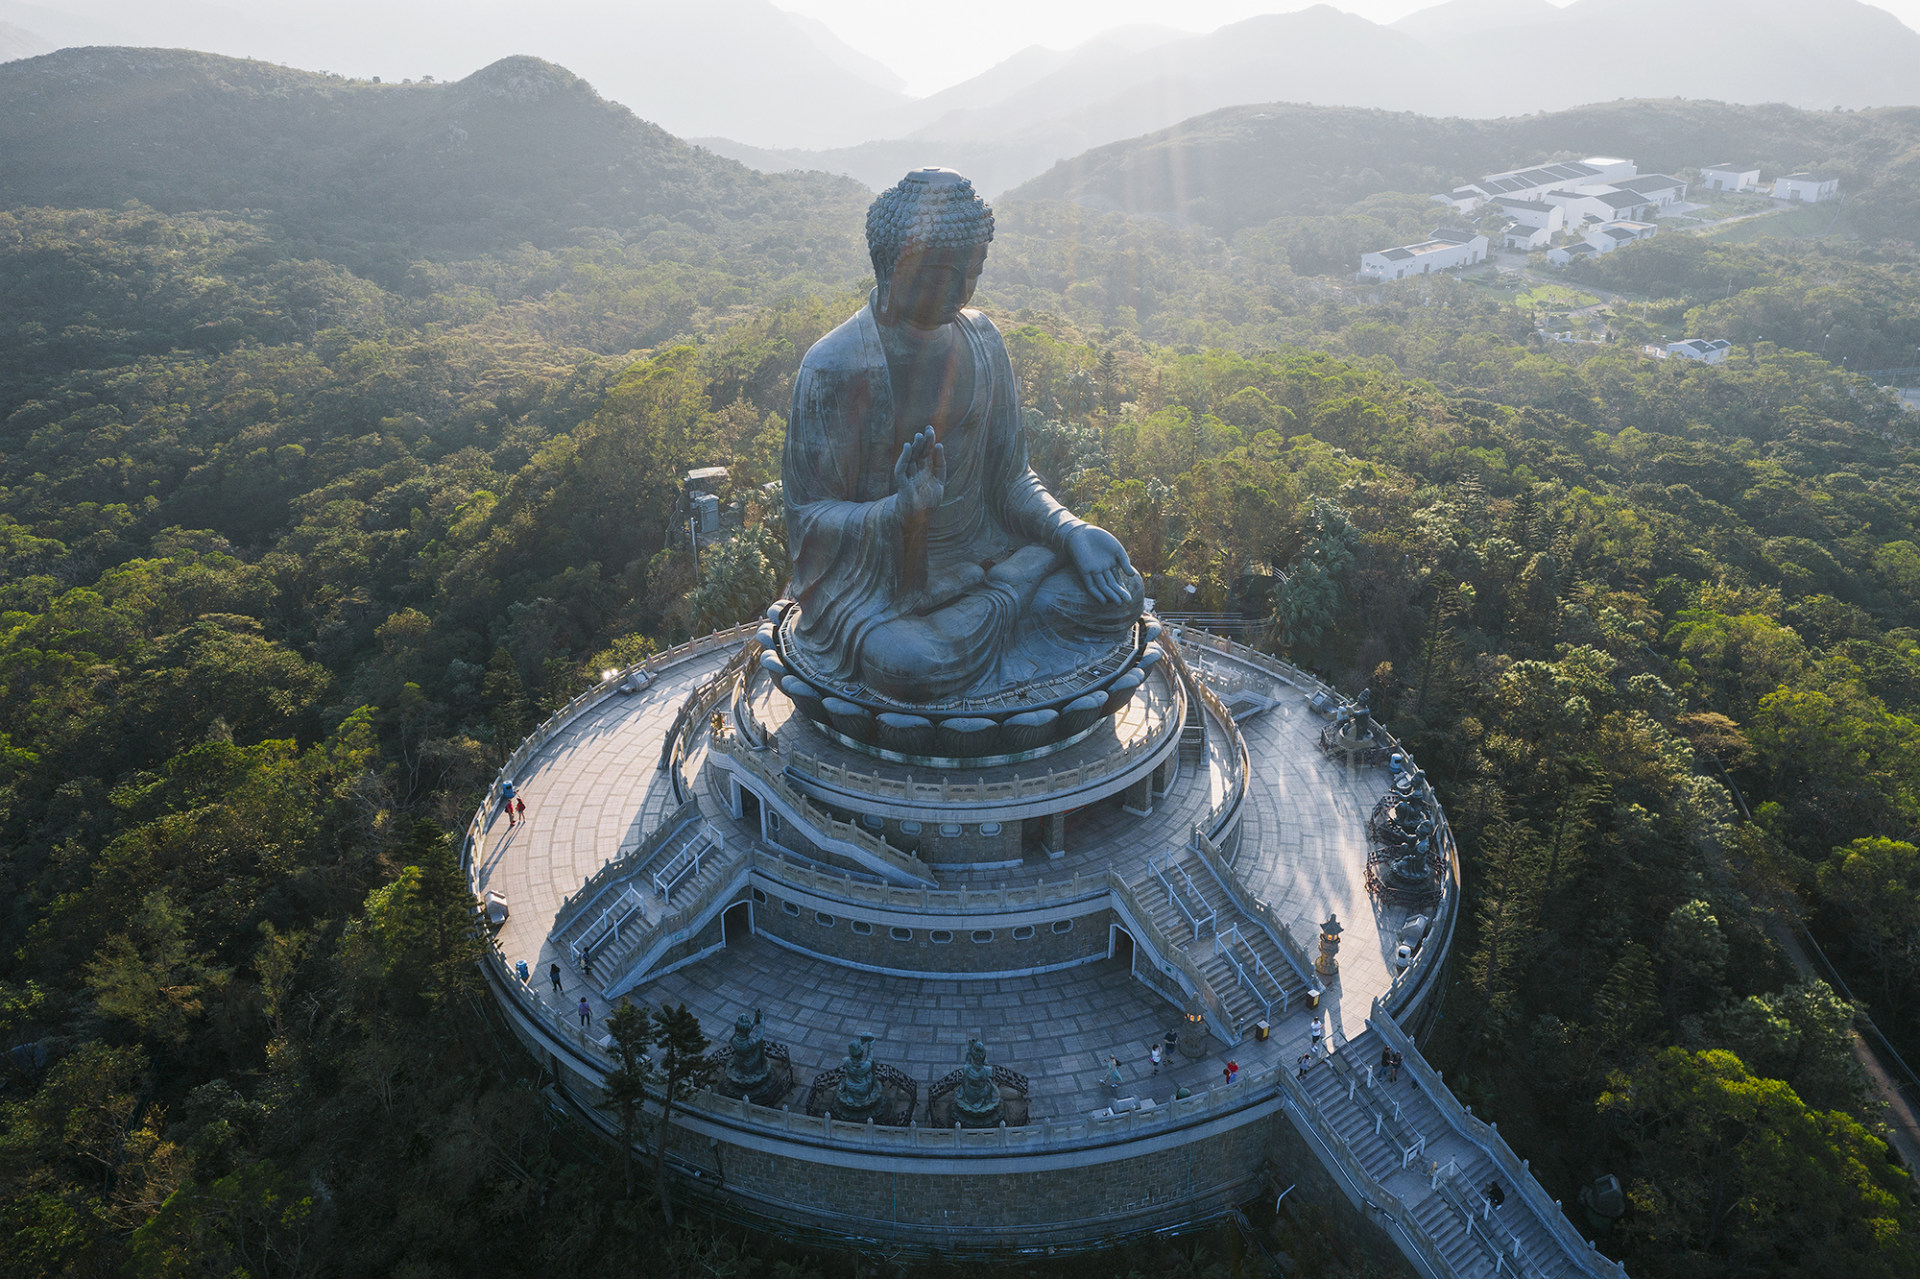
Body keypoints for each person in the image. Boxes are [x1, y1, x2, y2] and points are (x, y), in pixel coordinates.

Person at [781, 167, 1143, 704]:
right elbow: (808, 518)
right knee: (910, 667)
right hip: (882, 590)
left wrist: (1069, 532)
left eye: (972, 272)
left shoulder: (983, 340)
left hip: (983, 551)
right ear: (892, 266)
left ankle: (1002, 592)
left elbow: (1012, 478)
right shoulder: (835, 366)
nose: (960, 290)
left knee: (1119, 596)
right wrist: (899, 513)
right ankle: (1013, 589)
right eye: (941, 274)